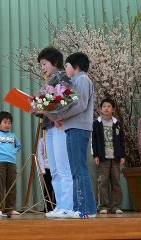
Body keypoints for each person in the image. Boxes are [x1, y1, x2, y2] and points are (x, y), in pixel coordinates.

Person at [47, 52, 97, 218]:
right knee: (76, 169)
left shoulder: (82, 79)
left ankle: (87, 209)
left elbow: (80, 104)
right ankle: (78, 207)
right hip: (73, 127)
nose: (65, 69)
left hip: (78, 127)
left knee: (79, 169)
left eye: (67, 66)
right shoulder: (78, 80)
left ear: (76, 67)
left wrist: (59, 116)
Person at [36, 47, 73, 218]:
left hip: (60, 126)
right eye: (41, 65)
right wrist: (37, 107)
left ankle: (69, 206)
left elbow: (68, 102)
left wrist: (46, 107)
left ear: (55, 62)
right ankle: (60, 205)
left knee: (63, 168)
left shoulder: (64, 77)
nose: (42, 67)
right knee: (55, 170)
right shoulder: (49, 81)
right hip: (49, 127)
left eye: (44, 63)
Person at [92, 98, 125, 214]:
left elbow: (121, 140)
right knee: (103, 182)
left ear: (113, 110)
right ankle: (103, 206)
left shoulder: (117, 124)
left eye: (109, 106)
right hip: (102, 158)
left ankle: (116, 206)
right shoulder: (96, 123)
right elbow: (94, 141)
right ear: (101, 109)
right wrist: (95, 155)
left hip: (115, 158)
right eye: (104, 106)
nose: (106, 108)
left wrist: (122, 155)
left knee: (116, 181)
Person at [37, 130, 55, 212]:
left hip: (56, 168)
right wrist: (42, 169)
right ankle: (48, 207)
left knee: (56, 188)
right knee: (47, 188)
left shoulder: (56, 139)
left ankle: (57, 206)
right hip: (47, 168)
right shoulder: (42, 140)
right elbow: (40, 155)